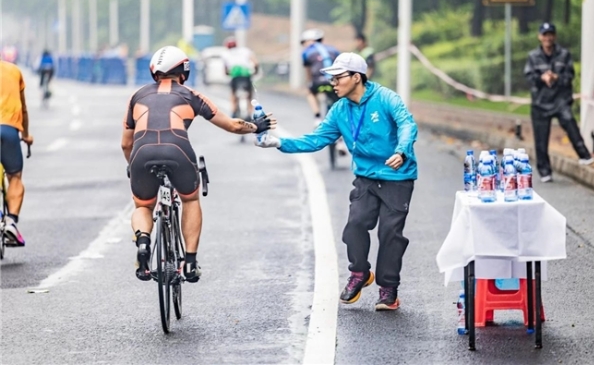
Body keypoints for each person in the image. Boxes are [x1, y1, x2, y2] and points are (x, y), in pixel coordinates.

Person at [255, 53, 418, 311]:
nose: (332, 82)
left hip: (397, 177)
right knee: (354, 226)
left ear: (356, 77)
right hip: (365, 177)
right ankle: (360, 273)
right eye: (331, 77)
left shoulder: (386, 98)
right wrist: (279, 142)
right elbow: (316, 139)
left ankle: (388, 289)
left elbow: (407, 125)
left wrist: (401, 150)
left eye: (338, 77)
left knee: (390, 233)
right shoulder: (340, 110)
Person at [121, 46, 275, 282]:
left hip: (142, 153)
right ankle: (190, 263)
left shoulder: (137, 96)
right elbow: (232, 125)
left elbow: (125, 144)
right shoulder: (191, 95)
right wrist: (257, 127)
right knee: (190, 199)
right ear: (184, 71)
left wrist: (132, 166)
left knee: (143, 206)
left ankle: (143, 243)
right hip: (178, 151)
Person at [524, 22, 594, 183]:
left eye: (550, 34)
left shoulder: (564, 54)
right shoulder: (533, 56)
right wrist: (542, 78)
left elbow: (570, 75)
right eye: (545, 35)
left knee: (571, 125)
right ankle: (544, 171)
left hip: (560, 100)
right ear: (540, 37)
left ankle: (585, 156)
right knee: (541, 139)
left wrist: (556, 77)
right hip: (540, 103)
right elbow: (529, 77)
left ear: (554, 36)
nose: (548, 38)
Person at [0, 59, 34, 247]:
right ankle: (11, 221)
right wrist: (26, 136)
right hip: (8, 130)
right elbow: (23, 109)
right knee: (15, 177)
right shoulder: (13, 71)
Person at [301, 28, 341, 124]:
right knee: (337, 100)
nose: (303, 45)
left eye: (303, 42)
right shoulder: (333, 49)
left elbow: (308, 71)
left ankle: (317, 117)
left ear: (310, 41)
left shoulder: (306, 52)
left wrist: (309, 83)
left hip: (318, 81)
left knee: (310, 92)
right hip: (334, 80)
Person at [221, 36, 259, 119]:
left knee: (233, 94)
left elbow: (225, 69)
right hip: (246, 76)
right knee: (249, 95)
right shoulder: (246, 51)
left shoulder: (225, 54)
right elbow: (255, 63)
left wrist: (227, 73)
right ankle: (249, 113)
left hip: (235, 77)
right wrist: (255, 71)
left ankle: (233, 111)